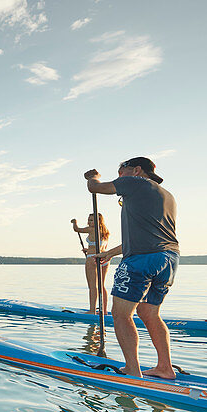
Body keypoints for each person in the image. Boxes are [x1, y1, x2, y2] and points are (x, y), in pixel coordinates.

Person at [85, 157, 178, 379]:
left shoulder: (135, 182)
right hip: (170, 258)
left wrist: (92, 177)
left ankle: (132, 369)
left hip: (141, 260)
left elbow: (95, 188)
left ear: (136, 170)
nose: (119, 178)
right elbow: (148, 236)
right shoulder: (167, 195)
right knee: (149, 312)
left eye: (120, 172)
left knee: (120, 313)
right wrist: (109, 253)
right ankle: (165, 368)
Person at [71, 212, 110, 314]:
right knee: (102, 285)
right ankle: (104, 310)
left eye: (91, 220)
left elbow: (77, 229)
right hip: (104, 259)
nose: (89, 222)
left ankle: (92, 310)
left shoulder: (91, 229)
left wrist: (74, 223)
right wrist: (88, 250)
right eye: (88, 220)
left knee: (92, 286)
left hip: (92, 259)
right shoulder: (105, 231)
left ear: (98, 221)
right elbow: (100, 247)